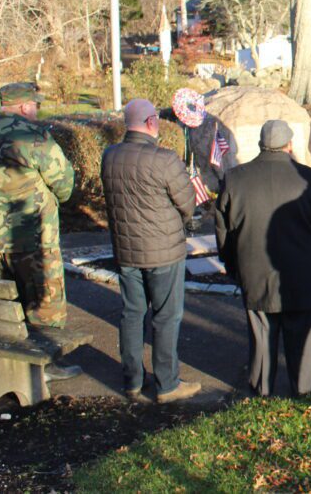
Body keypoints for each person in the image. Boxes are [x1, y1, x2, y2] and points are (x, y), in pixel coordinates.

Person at [216, 120, 311, 396]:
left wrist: (231, 264)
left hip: (254, 268)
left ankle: (262, 387)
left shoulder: (236, 178)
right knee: (303, 333)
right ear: (290, 145)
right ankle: (304, 388)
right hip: (303, 271)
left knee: (262, 332)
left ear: (262, 145)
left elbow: (223, 230)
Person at [0, 82, 79, 381]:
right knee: (44, 305)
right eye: (35, 104)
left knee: (5, 307)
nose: (37, 109)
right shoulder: (34, 138)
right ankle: (43, 368)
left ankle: (11, 367)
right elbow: (64, 183)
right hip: (33, 239)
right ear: (23, 106)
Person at [101, 99, 200, 404]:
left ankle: (132, 380)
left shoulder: (110, 156)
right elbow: (187, 204)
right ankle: (167, 384)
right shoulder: (165, 159)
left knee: (132, 314)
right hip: (163, 252)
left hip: (127, 249)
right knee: (166, 316)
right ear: (151, 122)